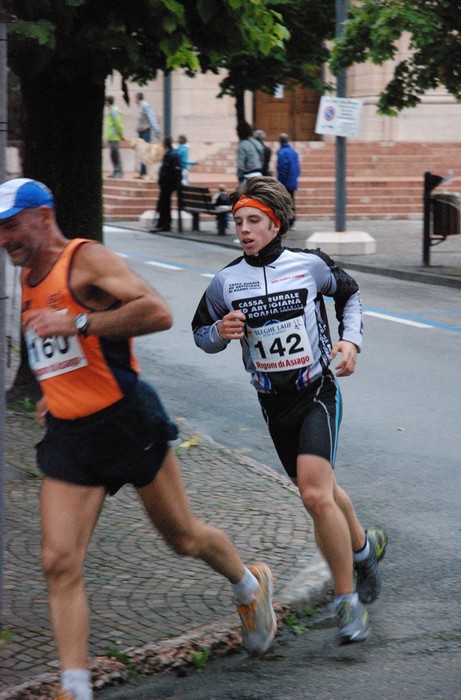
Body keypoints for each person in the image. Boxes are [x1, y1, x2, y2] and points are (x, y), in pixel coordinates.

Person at [0, 178, 277, 700]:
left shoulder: (86, 260)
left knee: (183, 538)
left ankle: (248, 583)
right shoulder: (27, 273)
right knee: (58, 560)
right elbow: (59, 349)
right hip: (71, 434)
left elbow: (157, 312)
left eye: (11, 225)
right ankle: (74, 686)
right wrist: (54, 389)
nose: (4, 238)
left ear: (43, 217)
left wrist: (78, 320)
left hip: (126, 420)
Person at [192, 176, 388, 647]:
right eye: (238, 221)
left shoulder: (309, 265)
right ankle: (364, 549)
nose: (243, 229)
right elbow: (200, 334)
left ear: (275, 223)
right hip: (273, 404)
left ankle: (347, 602)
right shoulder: (226, 281)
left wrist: (351, 341)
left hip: (316, 391)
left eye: (253, 221)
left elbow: (350, 294)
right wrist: (220, 331)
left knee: (315, 495)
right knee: (322, 490)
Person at [151, 136, 182, 233]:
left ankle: (164, 223)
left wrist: (161, 179)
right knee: (164, 203)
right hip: (170, 183)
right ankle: (162, 223)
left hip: (167, 183)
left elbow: (166, 169)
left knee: (164, 203)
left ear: (165, 144)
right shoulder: (173, 153)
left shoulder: (169, 154)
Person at [134, 92, 161, 178]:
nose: (134, 100)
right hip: (141, 131)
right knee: (141, 152)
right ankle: (142, 172)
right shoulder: (140, 106)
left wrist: (156, 130)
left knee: (145, 152)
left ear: (138, 98)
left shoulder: (145, 105)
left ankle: (145, 172)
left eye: (135, 98)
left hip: (145, 131)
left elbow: (151, 117)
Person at [276, 133, 300, 227]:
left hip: (285, 181)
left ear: (280, 141)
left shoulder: (282, 152)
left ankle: (286, 220)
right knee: (291, 200)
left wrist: (280, 181)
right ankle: (292, 219)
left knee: (284, 201)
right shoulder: (293, 152)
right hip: (292, 180)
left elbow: (282, 168)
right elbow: (297, 167)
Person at [104, 96, 124, 179]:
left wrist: (121, 134)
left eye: (105, 101)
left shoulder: (114, 110)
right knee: (113, 155)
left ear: (108, 102)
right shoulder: (111, 110)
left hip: (114, 136)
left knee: (115, 154)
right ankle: (116, 171)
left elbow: (118, 123)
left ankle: (119, 172)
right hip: (111, 136)